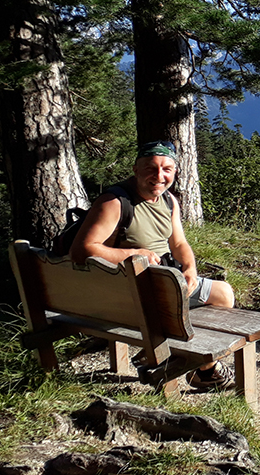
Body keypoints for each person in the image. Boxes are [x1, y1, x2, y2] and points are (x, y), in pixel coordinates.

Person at [70, 140, 235, 391]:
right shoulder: (114, 202)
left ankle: (189, 363)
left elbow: (178, 242)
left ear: (175, 172)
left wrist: (190, 269)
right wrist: (135, 253)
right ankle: (191, 366)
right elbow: (83, 250)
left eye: (166, 169)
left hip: (164, 280)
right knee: (182, 308)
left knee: (223, 294)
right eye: (151, 168)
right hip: (129, 291)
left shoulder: (168, 201)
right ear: (136, 169)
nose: (159, 176)